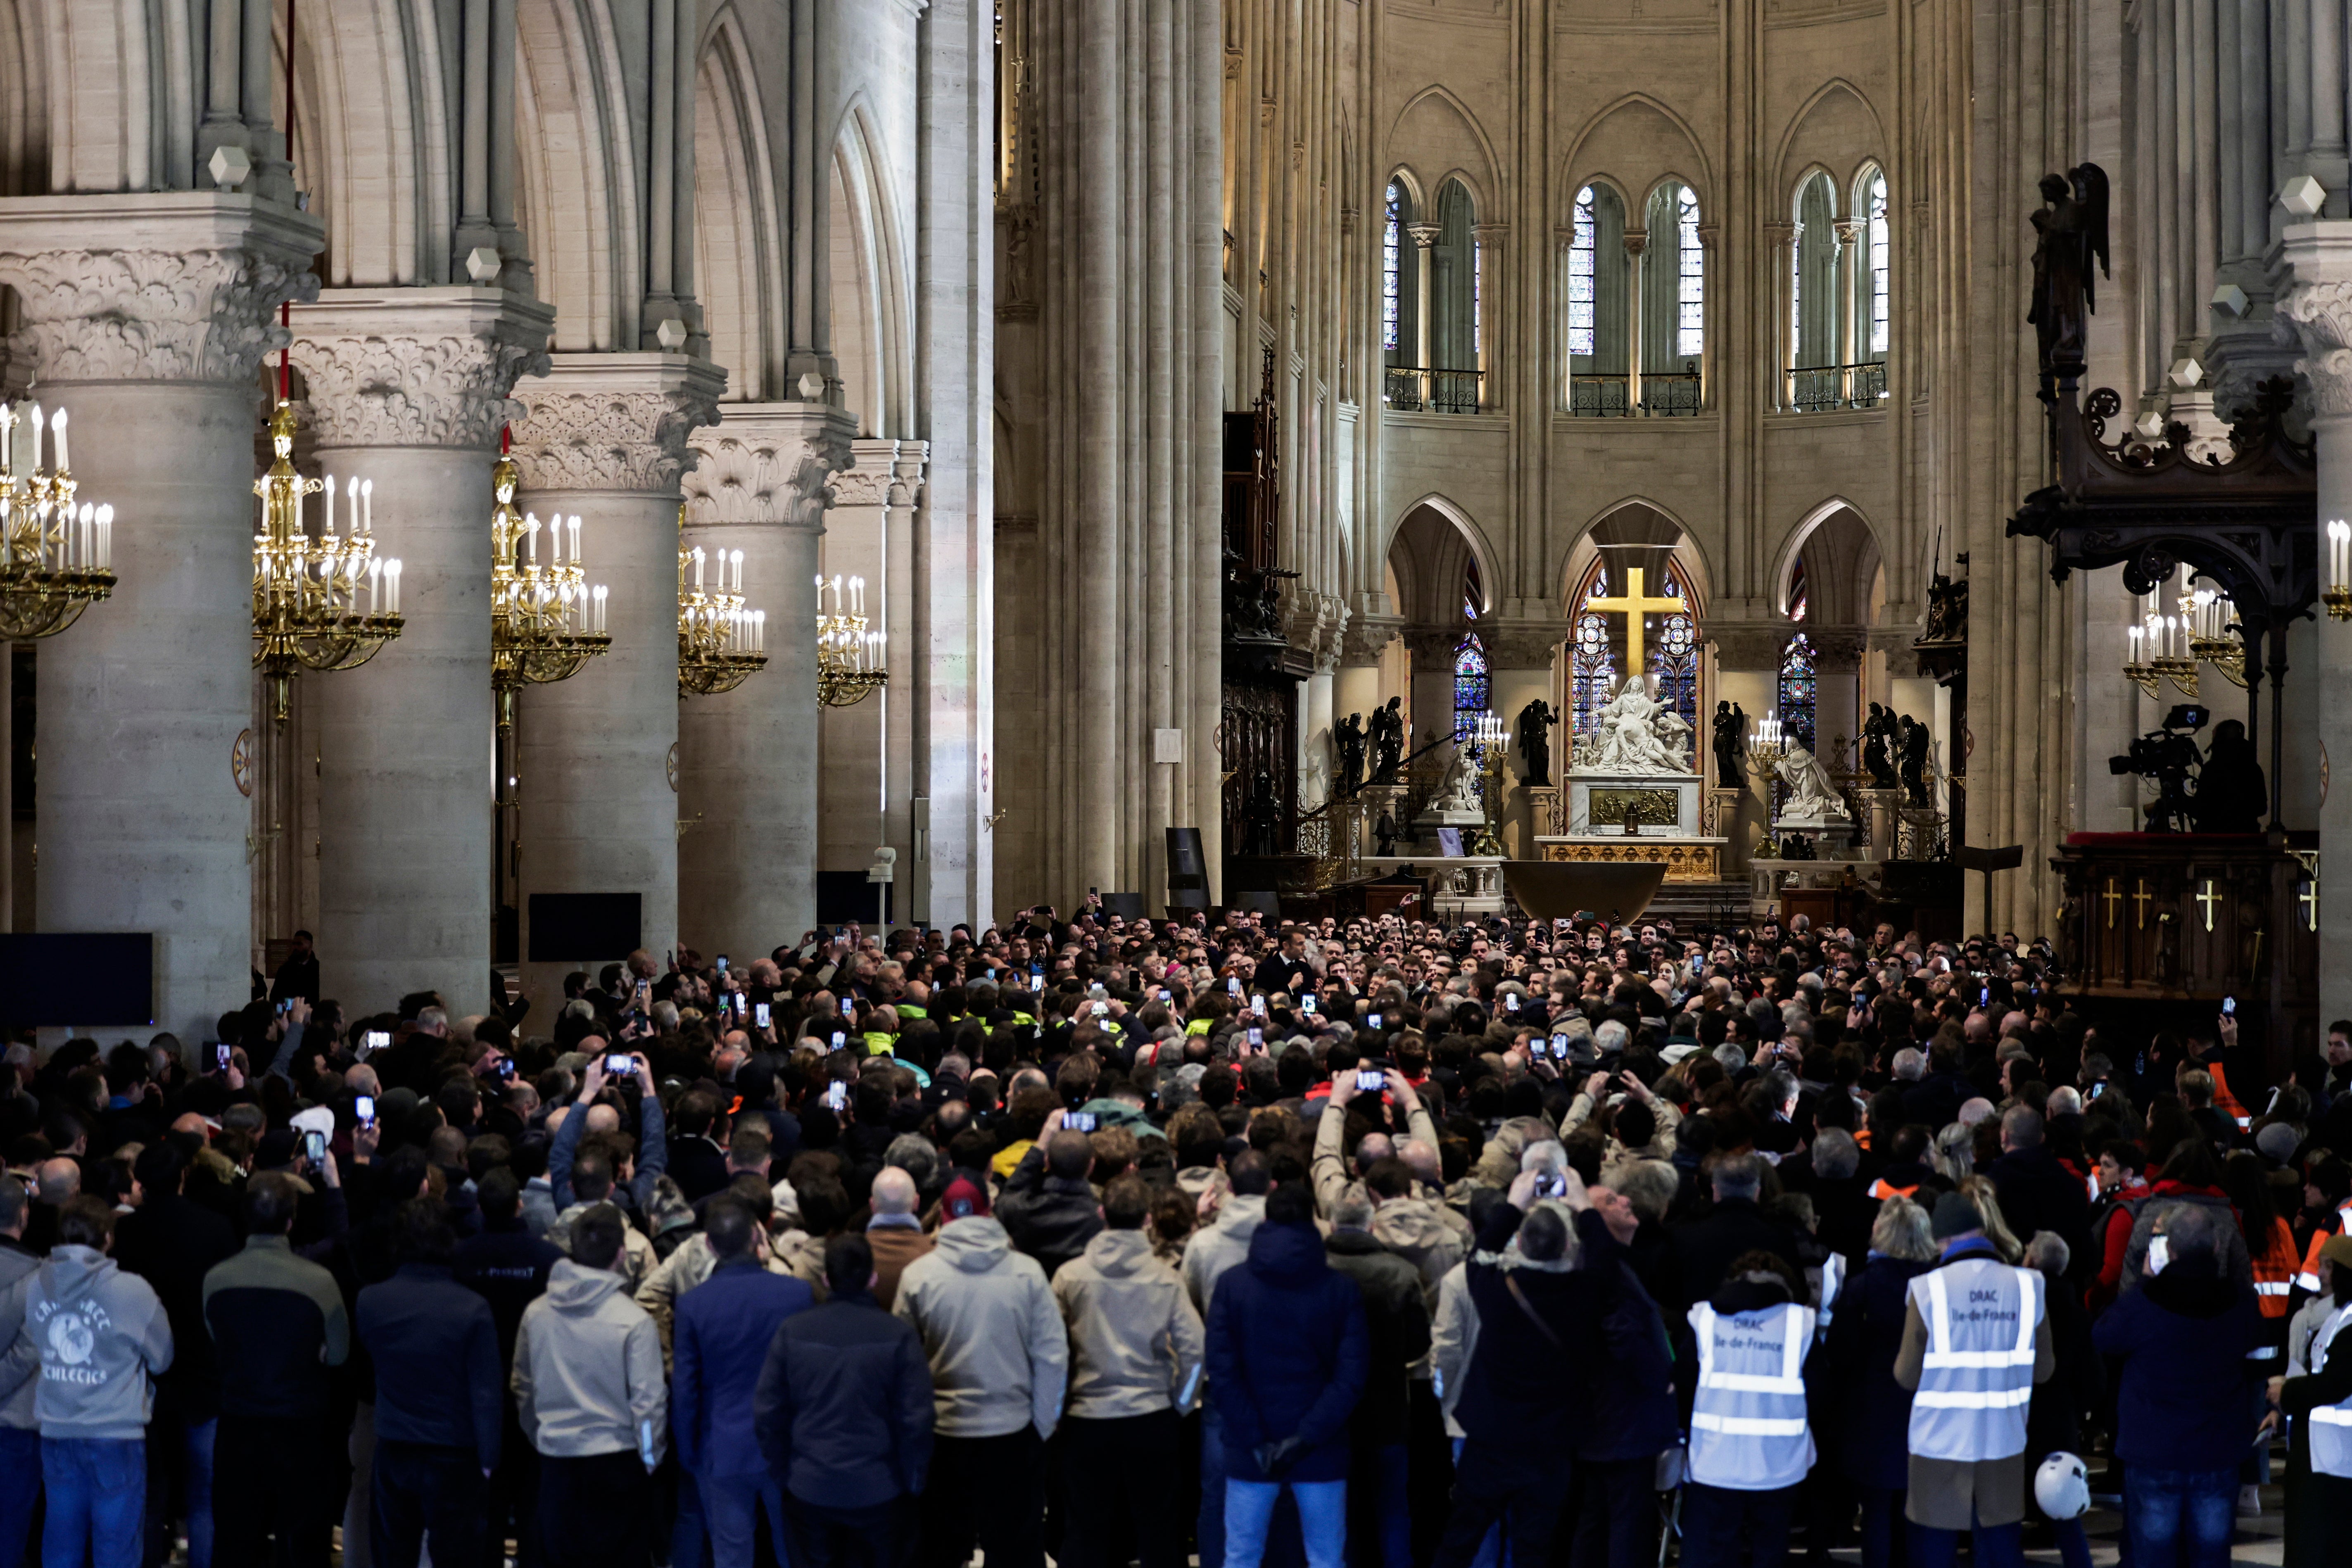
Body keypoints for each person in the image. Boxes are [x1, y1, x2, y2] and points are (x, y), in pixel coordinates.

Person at [1434, 1172, 1615, 1568]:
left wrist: (1513, 1204)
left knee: (1461, 1539)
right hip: (1550, 1445)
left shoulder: (1496, 1291)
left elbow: (1480, 1252)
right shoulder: (1584, 1297)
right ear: (1568, 1246)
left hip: (1490, 1439)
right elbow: (1606, 1261)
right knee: (1535, 1547)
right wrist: (1584, 1205)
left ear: (1519, 1243)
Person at [891, 1173, 1068, 1568]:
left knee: (944, 1547)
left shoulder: (919, 1276)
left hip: (944, 1432)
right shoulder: (1027, 1273)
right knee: (1016, 1548)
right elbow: (1052, 1355)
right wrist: (1041, 1423)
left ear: (945, 1219)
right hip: (1013, 1430)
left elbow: (904, 1364)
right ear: (990, 1214)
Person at [1206, 1179, 1370, 1568]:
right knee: (1327, 1558)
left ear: (1265, 1217)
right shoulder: (1341, 1290)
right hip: (1321, 1448)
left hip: (1250, 1450)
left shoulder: (1232, 1286)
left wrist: (1256, 1439)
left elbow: (1222, 1371)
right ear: (1316, 1221)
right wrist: (1305, 1437)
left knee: (1242, 1557)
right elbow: (1350, 1379)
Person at [2092, 1203, 2265, 1568]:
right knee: (2212, 1555)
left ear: (2169, 1250)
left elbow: (2104, 1336)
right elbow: (2257, 1346)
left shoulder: (2144, 1303)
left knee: (2152, 1556)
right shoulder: (2239, 1303)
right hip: (2217, 1449)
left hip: (2154, 1449)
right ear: (2217, 1246)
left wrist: (2143, 1282)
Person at [1050, 1173, 1206, 1568]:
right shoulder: (1166, 1279)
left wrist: (1054, 1410)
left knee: (1086, 1533)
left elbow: (1051, 1351)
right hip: (1152, 1416)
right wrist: (1182, 1403)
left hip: (1087, 1418)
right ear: (1148, 1220)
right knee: (1159, 1534)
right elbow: (1196, 1350)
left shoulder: (1070, 1276)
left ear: (1102, 1214)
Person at [1893, 1190, 2053, 1568]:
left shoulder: (1929, 1289)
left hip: (1939, 1443)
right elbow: (2045, 1370)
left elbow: (1906, 1375)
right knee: (2000, 1549)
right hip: (2004, 1439)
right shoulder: (2029, 1285)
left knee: (1934, 1549)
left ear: (1942, 1239)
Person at [11, 1196, 173, 1568]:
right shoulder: (133, 1291)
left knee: (61, 1545)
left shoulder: (34, 1285)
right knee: (116, 1547)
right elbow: (164, 1359)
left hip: (56, 1430)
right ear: (107, 1238)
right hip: (116, 1433)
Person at [755, 1233, 934, 1568]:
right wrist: (913, 1482)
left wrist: (785, 1474)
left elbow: (768, 1413)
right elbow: (917, 1420)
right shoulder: (898, 1335)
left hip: (810, 1488)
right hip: (881, 1491)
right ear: (873, 1278)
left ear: (826, 1279)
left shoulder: (792, 1332)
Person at [200, 1170, 350, 1568]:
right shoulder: (319, 1282)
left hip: (237, 1421)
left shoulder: (216, 1280)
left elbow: (216, 1340)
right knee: (303, 1538)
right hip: (301, 1422)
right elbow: (338, 1355)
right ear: (290, 1221)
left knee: (236, 1536)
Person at [512, 1203, 668, 1568]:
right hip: (618, 1464)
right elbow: (649, 1405)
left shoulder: (537, 1313)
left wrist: (541, 1436)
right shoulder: (634, 1321)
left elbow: (523, 1387)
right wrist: (648, 1460)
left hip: (555, 1461)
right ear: (620, 1255)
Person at [356, 1197, 505, 1568]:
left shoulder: (370, 1301)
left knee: (394, 1554)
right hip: (456, 1451)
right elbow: (486, 1392)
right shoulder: (472, 1308)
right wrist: (489, 1457)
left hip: (394, 1446)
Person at [109, 1140, 237, 1568]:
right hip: (203, 1375)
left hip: (142, 1378)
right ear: (183, 1177)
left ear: (140, 1182)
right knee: (205, 1496)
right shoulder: (216, 1228)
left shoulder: (126, 1232)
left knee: (149, 1494)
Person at [672, 1195, 814, 1568]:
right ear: (758, 1237)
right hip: (787, 1447)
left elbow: (685, 1389)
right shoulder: (797, 1294)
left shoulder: (694, 1305)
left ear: (708, 1244)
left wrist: (688, 1452)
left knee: (732, 1556)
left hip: (722, 1448)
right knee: (794, 1552)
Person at [450, 1166, 565, 1568]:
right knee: (534, 1501)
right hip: (537, 1394)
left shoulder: (459, 1258)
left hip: (476, 1396)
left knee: (487, 1504)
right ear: (520, 1204)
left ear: (481, 1207)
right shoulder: (549, 1258)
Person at [1682, 1250, 1818, 1568]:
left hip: (1713, 1463)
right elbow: (1821, 1393)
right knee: (1770, 1552)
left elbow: (1683, 1385)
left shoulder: (1704, 1319)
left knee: (1710, 1554)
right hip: (1780, 1465)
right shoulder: (1800, 1323)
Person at [1321, 1181, 1431, 1568]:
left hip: (1330, 1417)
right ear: (1372, 1227)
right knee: (1392, 1513)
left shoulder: (1316, 1273)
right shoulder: (1401, 1274)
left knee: (1339, 1518)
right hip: (1387, 1412)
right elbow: (1419, 1346)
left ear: (1332, 1227)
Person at [1825, 1195, 1939, 1568]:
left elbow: (1840, 1354)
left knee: (1875, 1513)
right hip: (1925, 1412)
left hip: (1870, 1410)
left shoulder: (1862, 1287)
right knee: (1916, 1513)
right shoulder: (1935, 1286)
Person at [2276, 1233, 2352, 1568]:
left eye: (2328, 1267)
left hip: (2334, 1458)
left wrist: (2287, 1394)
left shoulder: (2348, 1323)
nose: (2320, 1274)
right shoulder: (2333, 1318)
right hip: (2321, 1453)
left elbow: (2334, 1384)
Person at [0, 1174, 40, 1568]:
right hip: (16, 1420)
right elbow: (28, 1351)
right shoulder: (39, 1277)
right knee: (11, 1535)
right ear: (24, 1214)